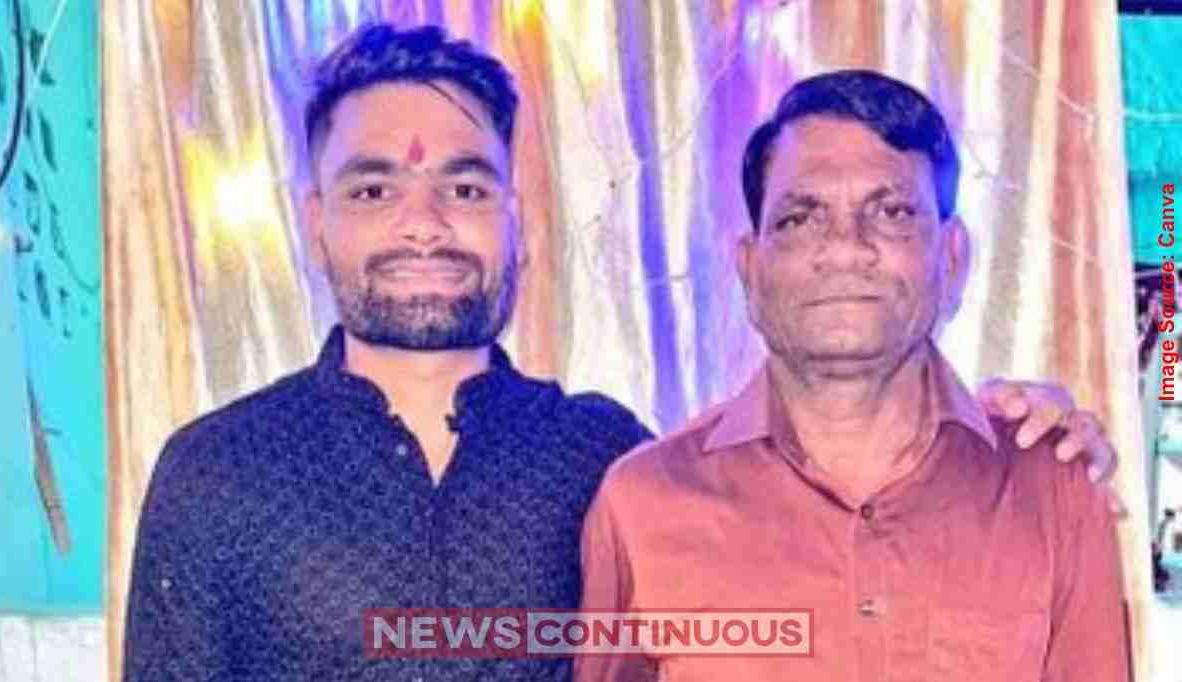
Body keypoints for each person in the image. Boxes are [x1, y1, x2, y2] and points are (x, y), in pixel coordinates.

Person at [123, 25, 1119, 682]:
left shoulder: (603, 458)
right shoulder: (217, 472)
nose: (422, 224)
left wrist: (1019, 424)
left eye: (465, 187)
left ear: (516, 217)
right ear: (315, 220)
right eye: (373, 189)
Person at [576, 70, 1129, 681]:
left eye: (891, 212)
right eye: (799, 218)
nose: (844, 248)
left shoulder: (1053, 489)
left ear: (951, 259)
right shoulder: (642, 504)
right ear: (750, 269)